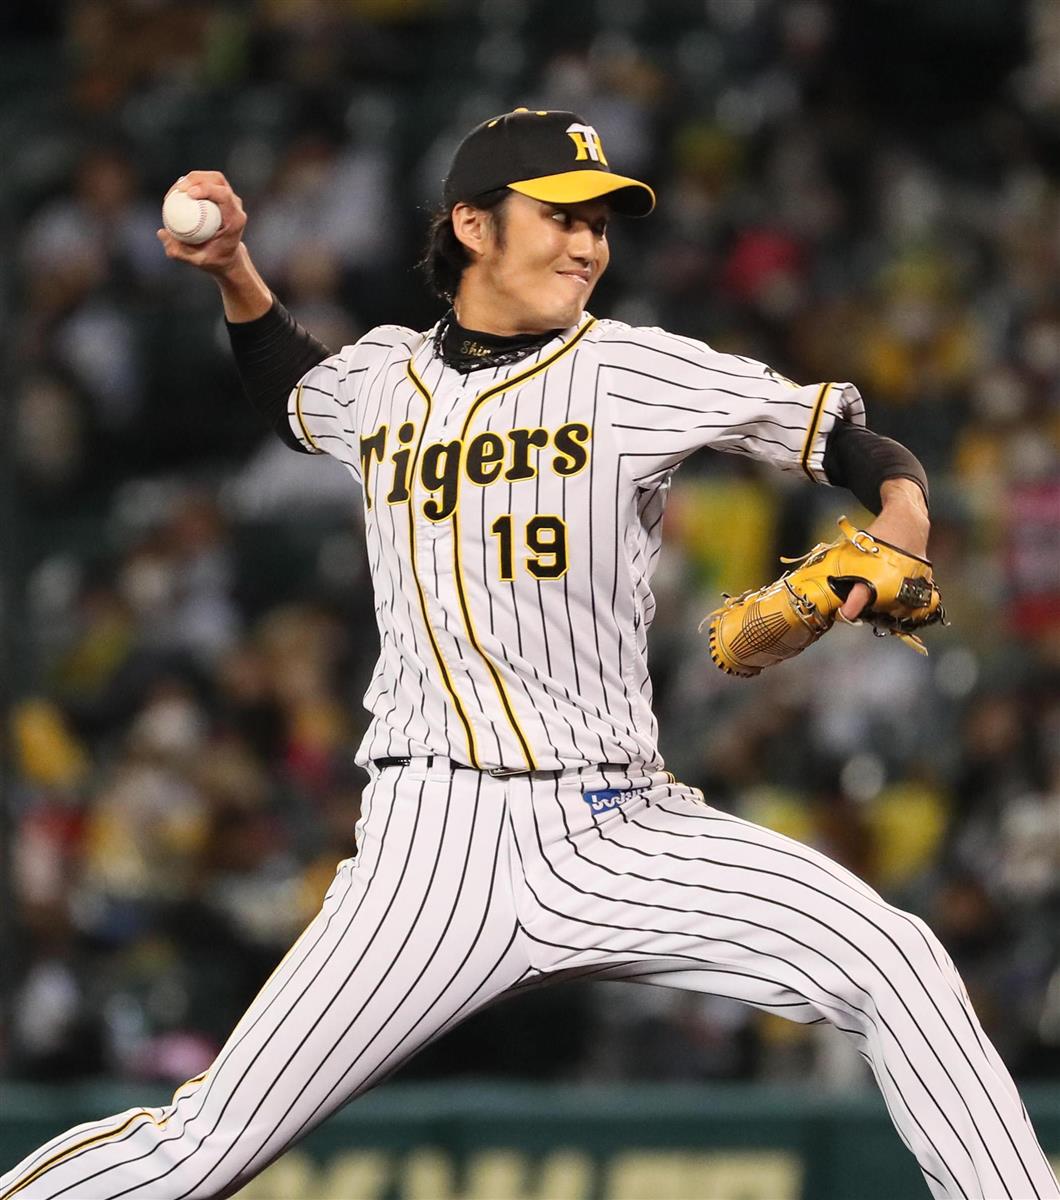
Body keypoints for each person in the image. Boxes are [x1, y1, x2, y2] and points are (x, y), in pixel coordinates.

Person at [3, 108, 1057, 1200]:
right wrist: (233, 272)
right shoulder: (384, 378)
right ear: (472, 224)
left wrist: (902, 511)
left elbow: (841, 438)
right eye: (560, 216)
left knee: (894, 962)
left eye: (600, 222)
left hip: (618, 825)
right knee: (208, 1144)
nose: (588, 243)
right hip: (431, 848)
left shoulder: (632, 370)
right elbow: (292, 394)